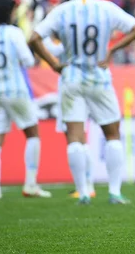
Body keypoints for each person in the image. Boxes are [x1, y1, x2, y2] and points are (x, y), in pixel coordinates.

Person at [29, 0, 135, 205]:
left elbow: (34, 38)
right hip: (98, 76)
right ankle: (114, 192)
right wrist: (113, 49)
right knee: (112, 135)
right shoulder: (106, 8)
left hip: (71, 77)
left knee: (74, 137)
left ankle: (83, 192)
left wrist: (53, 64)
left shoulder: (62, 11)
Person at [0, 0, 52, 200]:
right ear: (7, 13)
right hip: (16, 90)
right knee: (33, 134)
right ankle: (31, 184)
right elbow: (27, 60)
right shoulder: (13, 33)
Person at [42, 33, 96, 199]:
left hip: (71, 89)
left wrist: (45, 29)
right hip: (88, 86)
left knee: (74, 138)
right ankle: (88, 185)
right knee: (82, 139)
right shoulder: (88, 39)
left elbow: (49, 47)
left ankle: (84, 187)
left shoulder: (70, 39)